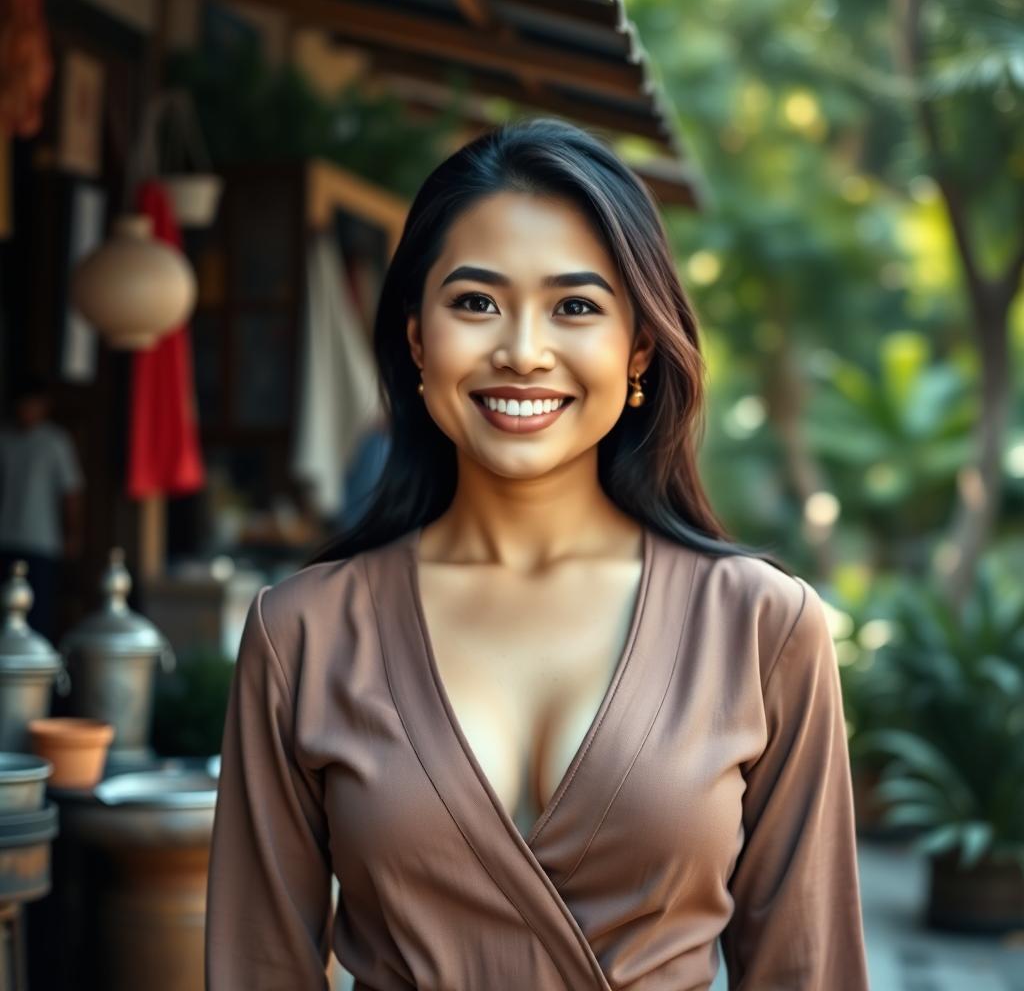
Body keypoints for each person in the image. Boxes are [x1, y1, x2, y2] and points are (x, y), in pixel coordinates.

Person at [205, 118, 870, 990]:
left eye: (576, 306)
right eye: (476, 302)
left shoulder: (763, 626)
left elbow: (806, 972)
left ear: (638, 347)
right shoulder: (302, 633)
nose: (522, 350)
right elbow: (258, 968)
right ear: (416, 340)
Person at [0, 372, 84, 642]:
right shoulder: (5, 439)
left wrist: (72, 533)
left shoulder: (55, 442)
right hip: (6, 537)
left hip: (43, 541)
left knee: (41, 617)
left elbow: (71, 491)